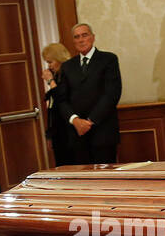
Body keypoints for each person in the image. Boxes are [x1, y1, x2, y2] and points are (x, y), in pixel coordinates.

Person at [55, 23, 122, 164]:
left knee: (106, 181)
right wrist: (75, 121)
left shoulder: (108, 60)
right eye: (76, 37)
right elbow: (62, 99)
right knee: (84, 181)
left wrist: (89, 122)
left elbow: (112, 94)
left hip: (103, 132)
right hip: (77, 134)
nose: (81, 40)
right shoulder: (67, 66)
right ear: (73, 41)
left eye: (84, 35)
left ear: (92, 37)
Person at [40, 43, 75, 166]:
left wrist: (50, 81)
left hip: (68, 131)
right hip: (57, 131)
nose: (49, 66)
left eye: (50, 62)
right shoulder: (57, 75)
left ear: (59, 59)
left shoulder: (68, 74)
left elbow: (61, 97)